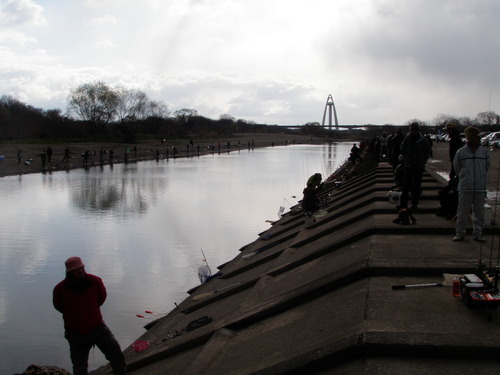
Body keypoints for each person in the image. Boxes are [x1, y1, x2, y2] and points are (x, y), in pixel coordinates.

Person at [53, 257, 128, 375]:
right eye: (77, 270)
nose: (81, 271)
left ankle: (121, 372)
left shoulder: (95, 281)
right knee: (79, 365)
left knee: (115, 352)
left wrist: (90, 311)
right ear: (69, 273)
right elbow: (58, 306)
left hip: (97, 327)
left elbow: (101, 298)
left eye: (82, 268)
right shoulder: (60, 289)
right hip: (75, 333)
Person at [452, 126, 490, 242]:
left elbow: (486, 167)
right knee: (462, 212)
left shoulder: (484, 152)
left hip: (479, 187)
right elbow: (457, 168)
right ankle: (460, 233)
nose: (478, 140)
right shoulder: (461, 152)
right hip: (465, 187)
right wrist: (465, 178)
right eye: (475, 138)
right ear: (469, 138)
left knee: (479, 213)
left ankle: (478, 234)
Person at [399, 122, 430, 210]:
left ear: (418, 130)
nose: (414, 132)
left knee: (417, 185)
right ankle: (403, 204)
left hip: (419, 165)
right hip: (408, 165)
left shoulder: (423, 140)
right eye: (412, 130)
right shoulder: (407, 139)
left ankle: (414, 203)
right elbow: (402, 149)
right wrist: (405, 159)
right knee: (405, 186)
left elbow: (427, 151)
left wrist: (423, 161)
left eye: (415, 130)